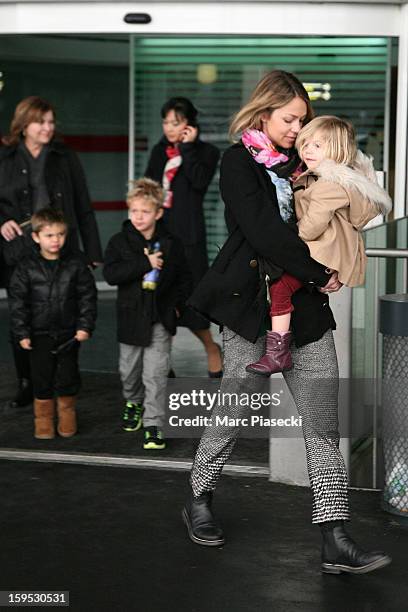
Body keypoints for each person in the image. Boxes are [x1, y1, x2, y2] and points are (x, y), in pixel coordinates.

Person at [182, 71, 391, 575]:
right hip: (252, 310)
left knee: (323, 424)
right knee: (232, 412)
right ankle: (199, 497)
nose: (298, 128)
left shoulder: (310, 160)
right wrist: (321, 271)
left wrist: (355, 179)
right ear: (264, 114)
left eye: (303, 119)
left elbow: (360, 210)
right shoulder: (238, 162)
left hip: (309, 316)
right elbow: (263, 233)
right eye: (289, 119)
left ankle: (335, 537)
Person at [246, 115, 392, 376]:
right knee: (282, 289)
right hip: (326, 253)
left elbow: (313, 225)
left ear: (337, 150)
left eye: (317, 146)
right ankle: (278, 349)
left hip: (321, 254)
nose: (307, 150)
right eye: (305, 144)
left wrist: (289, 243)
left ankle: (277, 353)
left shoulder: (328, 184)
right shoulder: (327, 179)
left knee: (280, 285)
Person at [0, 96, 103, 408]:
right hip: (18, 250)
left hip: (61, 246)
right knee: (23, 318)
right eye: (40, 122)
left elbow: (83, 205)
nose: (48, 127)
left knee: (62, 314)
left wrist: (92, 251)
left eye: (50, 121)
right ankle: (27, 382)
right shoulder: (5, 156)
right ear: (24, 125)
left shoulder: (64, 156)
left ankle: (63, 380)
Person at [103, 178, 191, 450]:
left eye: (145, 211)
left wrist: (177, 306)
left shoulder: (171, 243)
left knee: (156, 373)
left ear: (158, 213)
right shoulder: (119, 242)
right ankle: (133, 401)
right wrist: (145, 263)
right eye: (134, 211)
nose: (138, 217)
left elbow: (183, 278)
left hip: (160, 317)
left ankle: (154, 424)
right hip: (131, 317)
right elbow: (110, 274)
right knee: (129, 371)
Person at [145, 97, 222, 377]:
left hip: (189, 236)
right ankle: (164, 361)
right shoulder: (159, 151)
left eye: (175, 123)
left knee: (192, 299)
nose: (168, 128)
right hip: (161, 233)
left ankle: (211, 348)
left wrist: (187, 149)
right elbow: (149, 189)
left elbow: (199, 183)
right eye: (165, 122)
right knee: (161, 299)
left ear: (189, 125)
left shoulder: (207, 152)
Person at [8, 207, 97, 439]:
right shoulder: (25, 267)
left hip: (69, 333)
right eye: (49, 235)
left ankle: (67, 415)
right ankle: (44, 420)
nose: (56, 240)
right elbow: (18, 303)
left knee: (68, 376)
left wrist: (84, 326)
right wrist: (22, 333)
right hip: (38, 334)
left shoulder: (75, 264)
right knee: (41, 376)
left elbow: (87, 296)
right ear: (36, 237)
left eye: (60, 234)